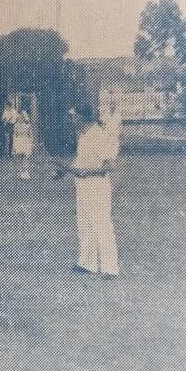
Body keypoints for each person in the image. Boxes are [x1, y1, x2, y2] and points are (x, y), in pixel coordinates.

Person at [57, 105, 119, 278]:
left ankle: (110, 268)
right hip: (82, 186)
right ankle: (87, 264)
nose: (70, 120)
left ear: (82, 117)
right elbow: (81, 161)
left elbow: (109, 166)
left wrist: (87, 172)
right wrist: (63, 171)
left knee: (101, 224)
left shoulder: (99, 135)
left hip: (97, 186)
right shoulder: (84, 136)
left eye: (72, 116)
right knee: (84, 224)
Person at [12, 110, 33, 179]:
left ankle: (26, 172)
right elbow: (15, 135)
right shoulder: (16, 125)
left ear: (24, 118)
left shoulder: (28, 126)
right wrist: (14, 144)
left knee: (26, 157)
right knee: (19, 157)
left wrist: (31, 142)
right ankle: (20, 172)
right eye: (19, 117)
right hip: (18, 141)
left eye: (22, 117)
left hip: (26, 141)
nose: (20, 118)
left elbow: (30, 135)